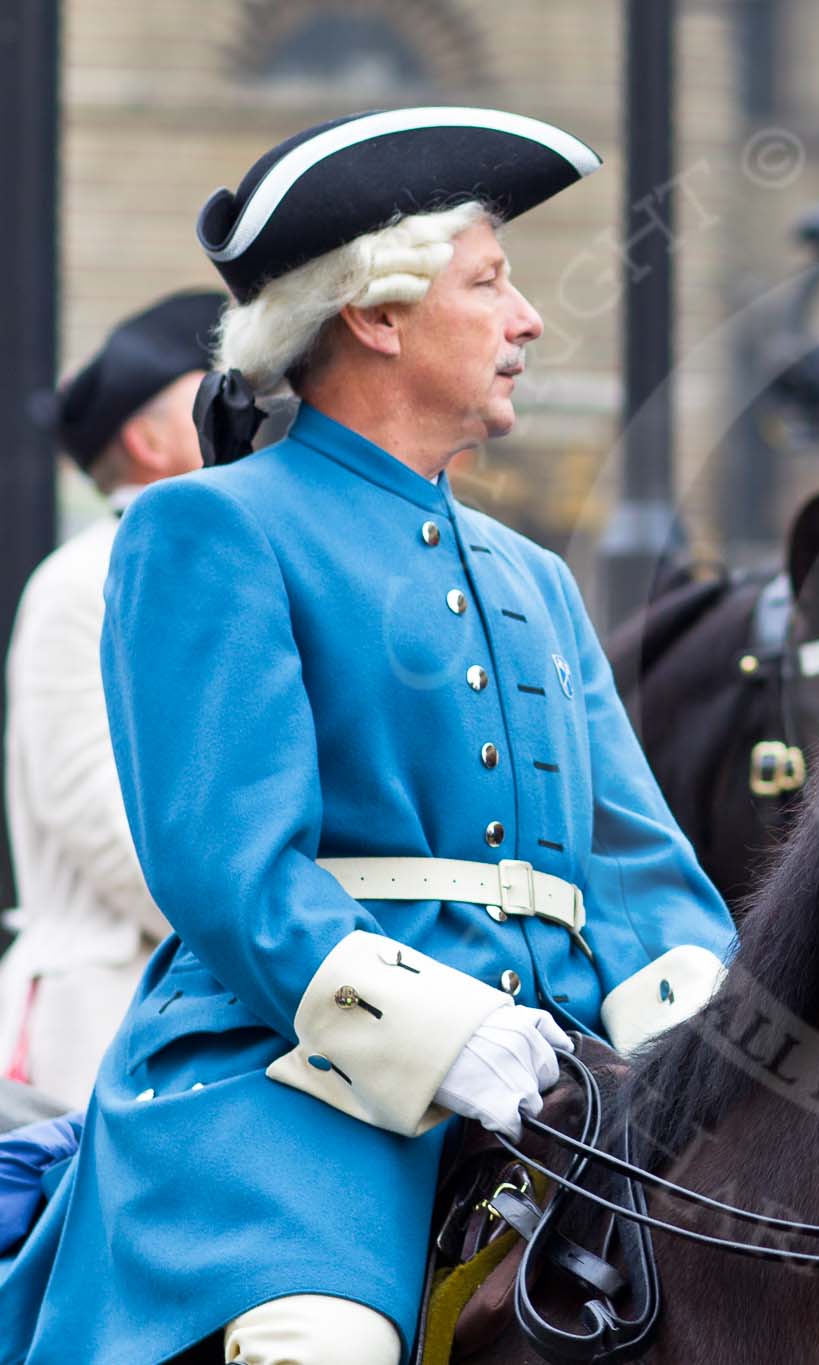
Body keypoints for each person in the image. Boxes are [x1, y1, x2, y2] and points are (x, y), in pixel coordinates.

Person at [0, 107, 736, 1365]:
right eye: (491, 283)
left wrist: (703, 1046)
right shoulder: (210, 531)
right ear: (375, 315)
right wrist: (434, 1027)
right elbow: (227, 871)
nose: (528, 321)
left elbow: (638, 868)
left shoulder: (535, 579)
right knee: (323, 1342)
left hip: (569, 1085)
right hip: (286, 1094)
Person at [1, 290, 221, 1108]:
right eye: (208, 393)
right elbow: (103, 821)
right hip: (96, 1020)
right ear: (149, 438)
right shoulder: (81, 581)